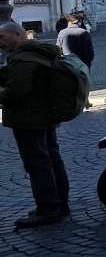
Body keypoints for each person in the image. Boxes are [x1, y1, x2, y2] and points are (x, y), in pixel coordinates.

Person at [0, 21, 71, 228]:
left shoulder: (24, 59)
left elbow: (17, 93)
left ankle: (48, 209)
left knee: (37, 163)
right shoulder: (37, 53)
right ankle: (60, 204)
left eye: (2, 38)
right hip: (44, 116)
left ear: (17, 35)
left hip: (29, 119)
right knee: (51, 158)